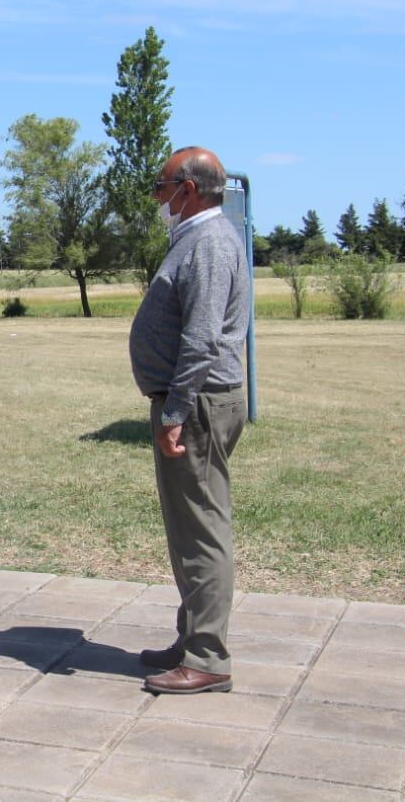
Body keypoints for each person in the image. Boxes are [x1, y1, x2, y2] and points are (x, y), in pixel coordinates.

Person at [128, 146, 250, 694]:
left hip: (198, 404)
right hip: (193, 401)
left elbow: (201, 339)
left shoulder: (208, 243)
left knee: (202, 531)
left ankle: (207, 658)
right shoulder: (200, 238)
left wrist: (176, 411)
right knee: (188, 530)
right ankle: (192, 638)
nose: (158, 197)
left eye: (161, 187)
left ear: (189, 188)